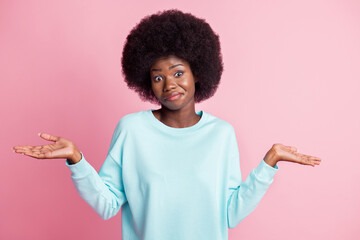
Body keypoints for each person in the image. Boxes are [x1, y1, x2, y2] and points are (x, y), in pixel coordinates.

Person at [12, 9, 322, 240]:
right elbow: (107, 205)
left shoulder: (221, 135)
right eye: (157, 77)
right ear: (146, 82)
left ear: (198, 72)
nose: (169, 84)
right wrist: (76, 160)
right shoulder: (132, 130)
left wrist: (269, 164)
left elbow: (229, 214)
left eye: (177, 72)